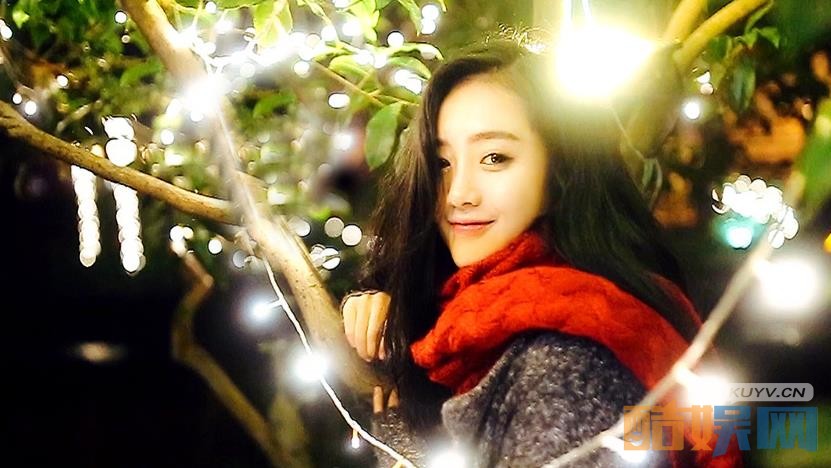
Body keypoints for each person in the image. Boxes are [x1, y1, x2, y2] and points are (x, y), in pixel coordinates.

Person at [340, 37, 742, 467]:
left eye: (494, 157)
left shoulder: (568, 367)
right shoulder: (468, 314)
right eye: (442, 163)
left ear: (558, 170)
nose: (458, 194)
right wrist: (380, 303)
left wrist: (401, 453)